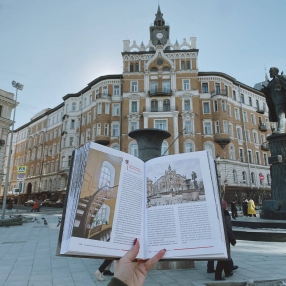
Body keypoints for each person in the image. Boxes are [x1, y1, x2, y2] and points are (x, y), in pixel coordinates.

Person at [215, 200, 237, 281]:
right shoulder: (226, 216)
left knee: (225, 256)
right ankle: (218, 275)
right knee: (223, 257)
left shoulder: (215, 214)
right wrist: (233, 240)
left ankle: (227, 272)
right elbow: (228, 230)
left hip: (217, 238)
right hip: (224, 239)